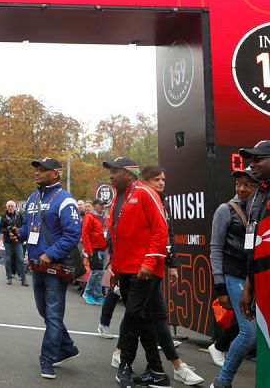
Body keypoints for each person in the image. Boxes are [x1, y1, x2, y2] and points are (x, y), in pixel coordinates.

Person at [134, 165, 203, 386]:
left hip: (153, 268)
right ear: (144, 181)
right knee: (139, 316)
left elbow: (168, 235)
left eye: (163, 179)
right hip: (139, 269)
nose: (162, 183)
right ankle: (127, 357)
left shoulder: (162, 202)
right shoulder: (140, 199)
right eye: (156, 179)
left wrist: (172, 264)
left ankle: (175, 365)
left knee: (154, 316)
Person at [103, 157, 168, 388]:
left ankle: (125, 365)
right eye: (110, 171)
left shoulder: (145, 192)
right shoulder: (116, 198)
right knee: (142, 318)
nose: (111, 175)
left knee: (132, 317)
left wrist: (149, 263)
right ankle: (157, 372)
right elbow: (117, 237)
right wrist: (115, 269)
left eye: (115, 171)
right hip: (125, 268)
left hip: (143, 270)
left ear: (130, 174)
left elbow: (161, 230)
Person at [210, 140, 270, 388]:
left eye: (248, 184)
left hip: (254, 278)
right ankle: (222, 381)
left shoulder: (257, 200)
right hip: (238, 276)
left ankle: (220, 350)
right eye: (239, 184)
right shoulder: (227, 209)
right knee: (250, 332)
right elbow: (217, 248)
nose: (243, 188)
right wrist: (221, 286)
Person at [19, 157, 82, 379]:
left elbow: (72, 234)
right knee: (45, 312)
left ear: (56, 174)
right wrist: (18, 234)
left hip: (55, 266)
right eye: (36, 169)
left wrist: (50, 254)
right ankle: (67, 347)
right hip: (37, 266)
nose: (37, 172)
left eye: (42, 170)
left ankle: (47, 358)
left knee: (53, 315)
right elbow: (27, 227)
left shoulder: (66, 200)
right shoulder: (32, 197)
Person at [81, 199, 107, 305]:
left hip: (103, 248)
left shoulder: (103, 217)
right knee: (96, 272)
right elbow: (85, 234)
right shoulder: (89, 217)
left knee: (99, 273)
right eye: (101, 205)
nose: (103, 207)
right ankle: (87, 293)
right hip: (95, 248)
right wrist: (89, 250)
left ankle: (97, 295)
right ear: (95, 206)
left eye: (103, 205)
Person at [2, 200, 27, 286]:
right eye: (8, 206)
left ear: (14, 207)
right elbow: (0, 229)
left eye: (12, 206)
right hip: (8, 241)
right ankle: (9, 277)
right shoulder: (4, 217)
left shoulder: (19, 215)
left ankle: (23, 279)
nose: (10, 207)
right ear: (7, 208)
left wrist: (19, 230)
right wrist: (7, 231)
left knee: (20, 259)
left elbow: (24, 226)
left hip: (18, 241)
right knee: (8, 259)